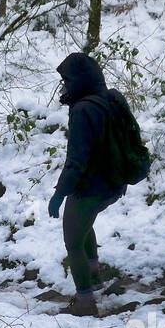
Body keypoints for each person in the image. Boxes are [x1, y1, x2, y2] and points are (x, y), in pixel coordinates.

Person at [47, 52, 137, 314]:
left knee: (73, 241)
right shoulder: (111, 98)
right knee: (84, 223)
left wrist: (59, 194)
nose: (64, 87)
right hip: (114, 184)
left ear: (80, 81)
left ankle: (85, 301)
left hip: (92, 187)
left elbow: (76, 162)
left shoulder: (83, 110)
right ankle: (95, 273)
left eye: (67, 80)